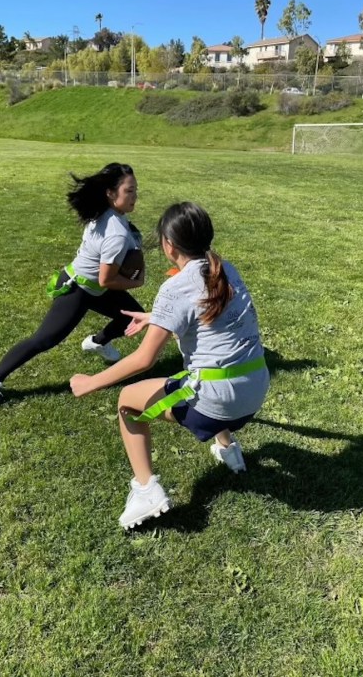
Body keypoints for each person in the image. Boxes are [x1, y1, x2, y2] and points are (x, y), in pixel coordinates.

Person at [70, 202, 269, 529]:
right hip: (256, 387)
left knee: (127, 404)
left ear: (168, 245)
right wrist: (157, 318)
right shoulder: (225, 269)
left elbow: (143, 359)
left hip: (220, 402)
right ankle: (229, 451)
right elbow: (208, 316)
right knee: (201, 374)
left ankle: (147, 489)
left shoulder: (175, 287)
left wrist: (90, 382)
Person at [0, 162, 145, 409]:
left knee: (132, 318)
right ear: (110, 193)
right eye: (129, 191)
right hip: (79, 289)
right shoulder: (116, 233)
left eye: (135, 190)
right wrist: (136, 281)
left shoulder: (106, 213)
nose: (135, 197)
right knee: (44, 339)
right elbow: (106, 280)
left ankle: (97, 343)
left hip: (90, 284)